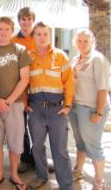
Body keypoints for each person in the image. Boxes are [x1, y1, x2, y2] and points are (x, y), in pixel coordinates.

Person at [27, 22, 73, 190]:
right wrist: (25, 104)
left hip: (57, 110)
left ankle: (66, 185)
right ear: (34, 36)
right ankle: (41, 175)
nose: (42, 37)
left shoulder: (61, 56)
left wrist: (68, 105)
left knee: (60, 150)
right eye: (38, 34)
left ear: (49, 35)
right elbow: (23, 81)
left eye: (45, 34)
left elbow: (69, 82)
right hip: (35, 109)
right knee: (37, 147)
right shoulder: (27, 56)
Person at [0, 17, 30, 190]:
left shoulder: (20, 50)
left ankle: (14, 174)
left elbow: (24, 79)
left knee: (15, 141)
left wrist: (9, 101)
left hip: (15, 104)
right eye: (0, 28)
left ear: (12, 31)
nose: (3, 32)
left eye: (6, 29)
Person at [69, 29, 109, 190]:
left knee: (93, 144)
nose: (82, 44)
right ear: (75, 43)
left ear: (92, 41)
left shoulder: (97, 59)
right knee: (80, 143)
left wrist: (98, 112)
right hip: (76, 106)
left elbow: (103, 88)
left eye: (86, 41)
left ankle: (99, 180)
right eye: (79, 41)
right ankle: (78, 170)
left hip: (92, 108)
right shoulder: (75, 59)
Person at [11, 7, 36, 173]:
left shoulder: (40, 37)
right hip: (21, 90)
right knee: (22, 127)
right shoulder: (13, 41)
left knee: (38, 128)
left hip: (39, 90)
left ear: (33, 21)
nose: (26, 23)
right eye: (23, 19)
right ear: (19, 21)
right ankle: (25, 159)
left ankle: (38, 158)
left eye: (29, 19)